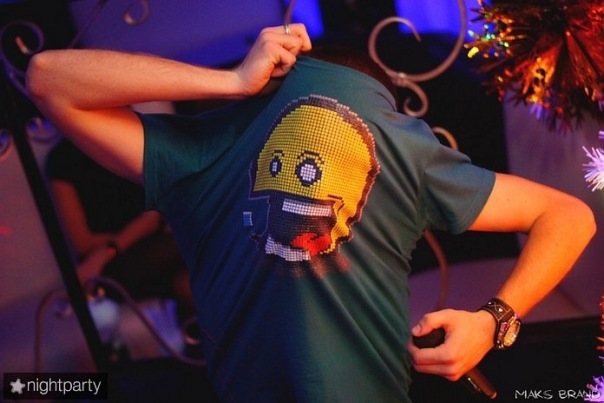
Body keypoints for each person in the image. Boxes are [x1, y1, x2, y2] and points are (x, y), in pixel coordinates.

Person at [26, 23, 595, 402]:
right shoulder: (402, 148)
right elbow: (571, 216)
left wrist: (229, 83)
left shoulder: (205, 148)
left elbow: (47, 76)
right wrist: (492, 322)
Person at [46, 137, 193, 316]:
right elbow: (82, 242)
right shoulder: (62, 159)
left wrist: (110, 248)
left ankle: (200, 327)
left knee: (186, 279)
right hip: (112, 265)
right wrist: (116, 247)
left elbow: (152, 217)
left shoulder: (124, 136)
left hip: (132, 249)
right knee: (192, 245)